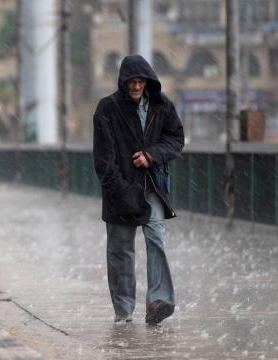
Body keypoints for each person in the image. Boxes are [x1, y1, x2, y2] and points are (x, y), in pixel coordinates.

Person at [93, 54, 184, 324]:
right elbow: (103, 158)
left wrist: (151, 155)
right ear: (123, 82)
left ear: (147, 82)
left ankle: (158, 300)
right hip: (120, 190)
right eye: (131, 81)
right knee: (121, 249)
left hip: (152, 186)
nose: (135, 86)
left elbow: (176, 138)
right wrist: (120, 188)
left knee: (156, 239)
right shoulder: (107, 108)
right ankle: (123, 310)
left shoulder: (161, 105)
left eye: (140, 81)